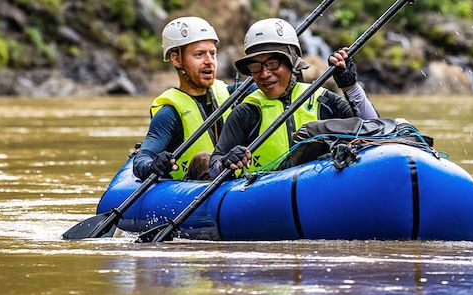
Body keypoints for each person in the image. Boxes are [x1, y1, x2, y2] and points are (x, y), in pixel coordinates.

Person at [209, 18, 379, 177]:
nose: (264, 73)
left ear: (292, 63)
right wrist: (226, 162)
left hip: (323, 185)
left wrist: (350, 86)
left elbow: (377, 131)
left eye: (272, 63)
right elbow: (213, 167)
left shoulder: (324, 100)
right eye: (255, 66)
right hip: (265, 195)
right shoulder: (246, 111)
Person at [132, 16, 246, 181]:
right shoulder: (169, 114)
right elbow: (142, 159)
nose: (209, 62)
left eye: (212, 54)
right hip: (194, 187)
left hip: (234, 182)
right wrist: (154, 165)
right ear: (176, 59)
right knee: (204, 159)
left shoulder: (231, 94)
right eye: (199, 55)